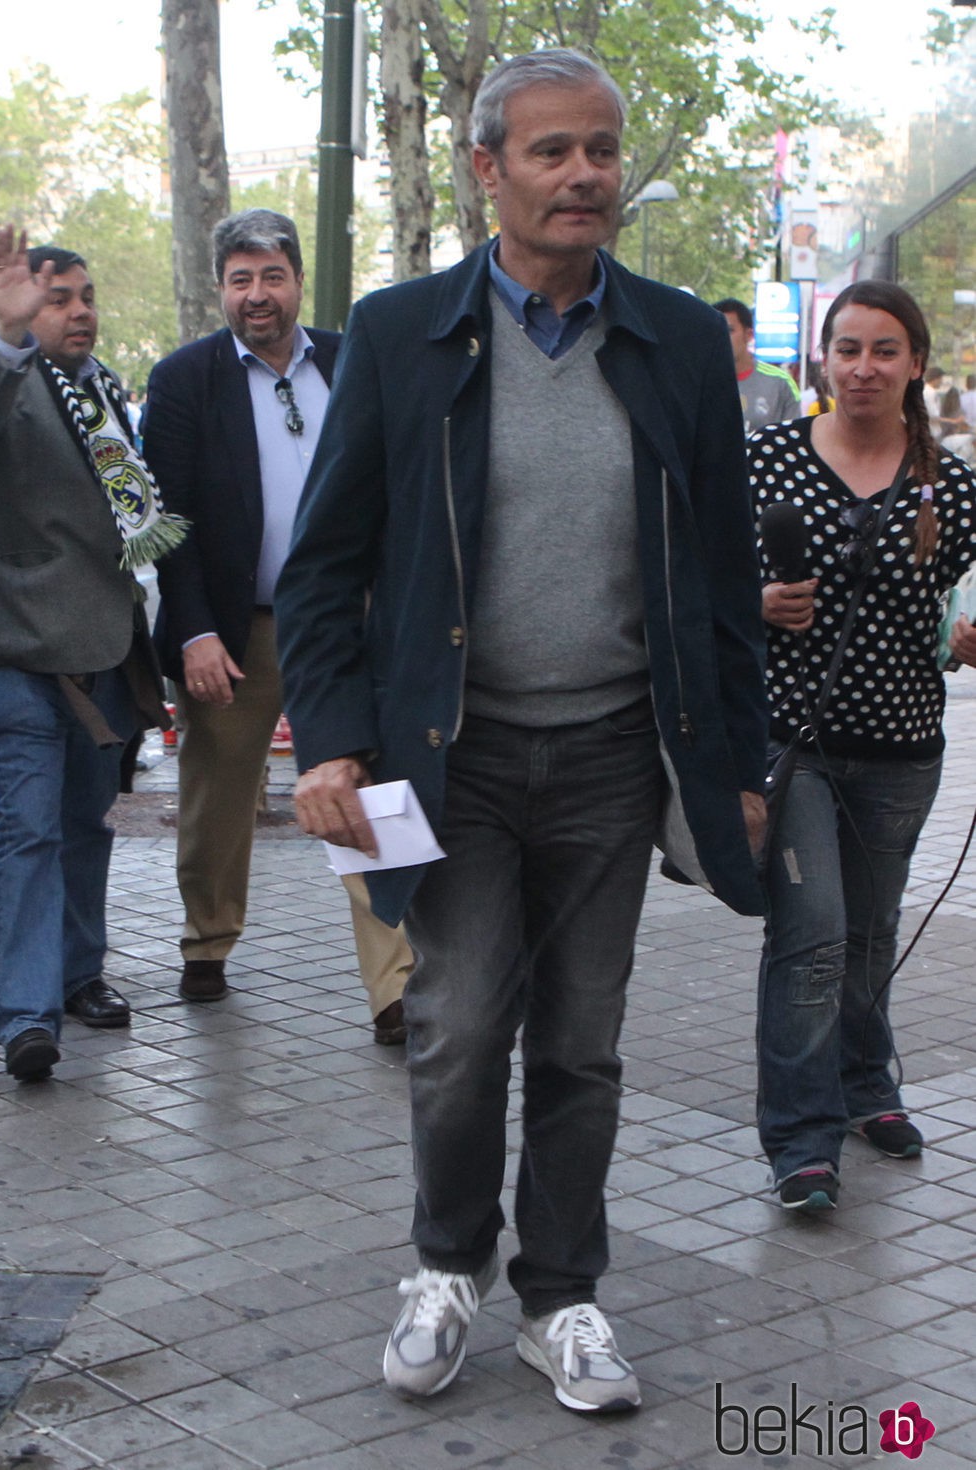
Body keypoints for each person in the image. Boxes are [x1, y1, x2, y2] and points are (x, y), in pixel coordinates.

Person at [276, 50, 767, 1413]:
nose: (584, 176)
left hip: (619, 755)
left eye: (601, 151)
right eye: (551, 152)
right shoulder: (399, 333)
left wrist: (742, 769)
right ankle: (445, 1263)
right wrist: (331, 738)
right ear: (488, 169)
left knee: (582, 1041)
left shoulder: (674, 338)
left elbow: (724, 578)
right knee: (457, 1025)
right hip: (456, 757)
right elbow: (325, 567)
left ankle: (562, 1292)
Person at [144, 209, 412, 1041]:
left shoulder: (351, 357)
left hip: (347, 623)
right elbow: (168, 519)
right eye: (240, 279)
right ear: (221, 288)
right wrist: (192, 632)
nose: (256, 295)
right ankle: (208, 941)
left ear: (297, 280)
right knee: (219, 795)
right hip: (237, 628)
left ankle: (397, 986)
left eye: (271, 277)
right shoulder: (186, 379)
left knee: (368, 786)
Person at [752, 280, 976, 1214]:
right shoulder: (767, 461)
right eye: (848, 349)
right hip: (793, 752)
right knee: (810, 941)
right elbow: (693, 588)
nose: (864, 368)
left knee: (871, 934)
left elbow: (957, 608)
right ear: (823, 361)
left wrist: (964, 639)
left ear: (916, 363)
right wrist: (752, 606)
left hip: (901, 750)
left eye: (885, 350)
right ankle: (802, 1140)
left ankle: (865, 1084)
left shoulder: (951, 487)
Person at [0, 226, 177, 1082]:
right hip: (20, 652)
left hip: (108, 645)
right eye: (57, 297)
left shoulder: (101, 391)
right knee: (26, 830)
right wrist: (0, 337)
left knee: (83, 824)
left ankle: (79, 973)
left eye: (86, 296)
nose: (78, 312)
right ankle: (26, 1016)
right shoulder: (13, 383)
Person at [713, 297, 801, 433]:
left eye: (729, 330)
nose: (721, 337)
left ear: (749, 334)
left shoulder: (780, 383)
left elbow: (795, 436)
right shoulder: (699, 383)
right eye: (714, 331)